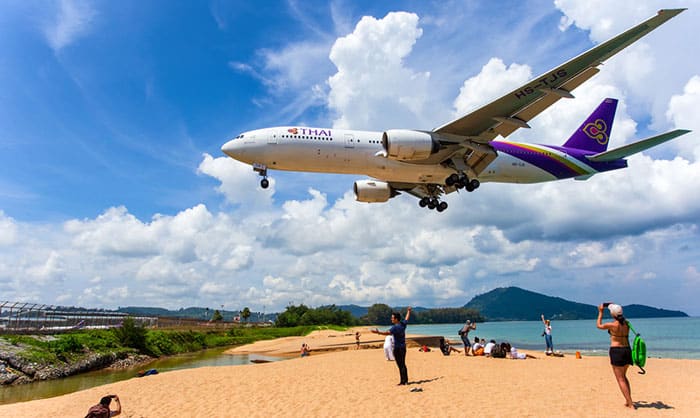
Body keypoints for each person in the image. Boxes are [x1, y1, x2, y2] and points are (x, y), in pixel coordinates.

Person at [597, 303, 634, 409]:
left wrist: (600, 312)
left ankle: (630, 404)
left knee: (620, 379)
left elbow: (599, 325)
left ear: (612, 314)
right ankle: (628, 400)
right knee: (624, 377)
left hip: (617, 351)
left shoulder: (613, 325)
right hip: (627, 350)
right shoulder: (627, 323)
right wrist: (608, 304)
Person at [372, 306, 411, 385]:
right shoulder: (403, 325)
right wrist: (409, 311)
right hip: (403, 348)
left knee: (400, 365)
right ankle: (405, 381)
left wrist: (378, 332)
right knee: (402, 364)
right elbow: (407, 318)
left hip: (397, 348)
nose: (391, 319)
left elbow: (387, 333)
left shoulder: (395, 327)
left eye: (392, 318)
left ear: (396, 319)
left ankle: (403, 381)